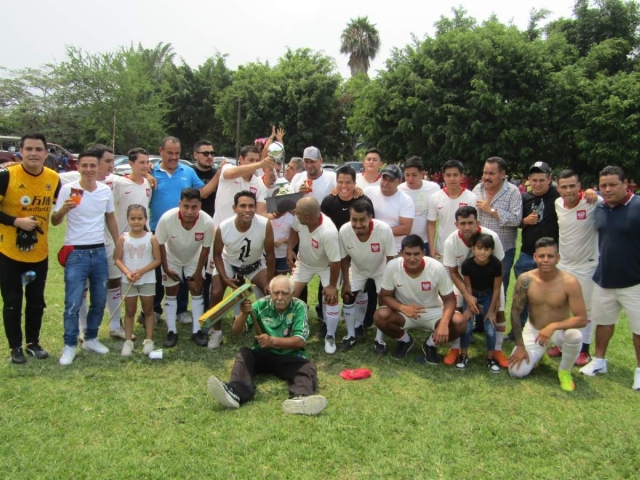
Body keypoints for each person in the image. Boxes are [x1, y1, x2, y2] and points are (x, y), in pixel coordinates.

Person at [206, 275, 327, 415]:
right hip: (263, 353)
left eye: (285, 293)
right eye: (276, 293)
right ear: (270, 292)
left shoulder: (299, 307)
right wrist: (244, 314)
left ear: (292, 294)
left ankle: (300, 399)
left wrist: (272, 341)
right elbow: (236, 330)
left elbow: (300, 341)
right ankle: (236, 392)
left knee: (307, 367)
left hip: (289, 355)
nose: (280, 297)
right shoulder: (260, 305)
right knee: (244, 354)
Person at [52, 150, 120, 366]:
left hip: (99, 251)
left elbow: (110, 218)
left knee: (99, 300)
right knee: (72, 302)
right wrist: (63, 209)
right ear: (78, 167)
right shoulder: (68, 190)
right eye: (84, 166)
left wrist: (119, 244)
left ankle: (91, 338)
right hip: (76, 252)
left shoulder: (104, 191)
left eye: (93, 165)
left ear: (99, 167)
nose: (89, 169)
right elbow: (54, 221)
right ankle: (70, 344)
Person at [0, 133, 60, 364]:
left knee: (36, 301)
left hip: (39, 252)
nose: (33, 154)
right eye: (29, 149)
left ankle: (32, 343)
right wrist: (17, 222)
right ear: (21, 152)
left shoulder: (53, 178)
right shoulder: (7, 176)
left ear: (46, 153)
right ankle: (15, 347)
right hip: (9, 252)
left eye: (38, 149)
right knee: (13, 300)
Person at [579, 166, 640, 390]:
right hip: (604, 279)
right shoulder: (601, 208)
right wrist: (589, 192)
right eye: (603, 185)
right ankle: (600, 361)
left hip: (635, 281)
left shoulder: (637, 206)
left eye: (613, 184)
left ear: (626, 184)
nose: (608, 189)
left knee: (639, 329)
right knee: (603, 322)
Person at [150, 136, 217, 326]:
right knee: (159, 273)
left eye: (177, 153)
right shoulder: (151, 170)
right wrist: (146, 175)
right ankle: (155, 310)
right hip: (159, 228)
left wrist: (218, 174)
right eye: (170, 153)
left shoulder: (187, 171)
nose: (174, 157)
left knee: (183, 269)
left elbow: (202, 193)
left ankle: (181, 310)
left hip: (186, 228)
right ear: (160, 151)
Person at [509, 238, 587, 392]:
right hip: (535, 330)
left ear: (557, 258)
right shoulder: (525, 280)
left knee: (575, 336)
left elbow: (582, 318)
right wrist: (519, 345)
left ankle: (564, 371)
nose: (545, 260)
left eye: (550, 256)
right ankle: (538, 354)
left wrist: (553, 326)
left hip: (560, 331)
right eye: (542, 256)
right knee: (516, 371)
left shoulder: (569, 282)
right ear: (535, 257)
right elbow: (515, 312)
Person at [373, 234, 467, 361]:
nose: (412, 258)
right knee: (380, 315)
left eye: (416, 254)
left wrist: (444, 323)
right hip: (405, 312)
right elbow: (384, 296)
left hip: (432, 310)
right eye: (408, 254)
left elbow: (450, 299)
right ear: (401, 253)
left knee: (460, 322)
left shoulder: (436, 267)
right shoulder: (393, 266)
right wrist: (402, 308)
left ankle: (431, 344)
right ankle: (404, 341)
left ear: (423, 253)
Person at [442, 206, 509, 368]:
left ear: (477, 222)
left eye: (470, 223)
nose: (467, 227)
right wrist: (467, 295)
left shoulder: (491, 236)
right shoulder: (451, 241)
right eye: (462, 223)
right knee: (457, 312)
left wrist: (496, 295)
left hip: (490, 284)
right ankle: (456, 348)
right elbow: (454, 273)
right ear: (456, 224)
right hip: (464, 283)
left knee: (498, 312)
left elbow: (499, 268)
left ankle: (497, 350)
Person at [547, 170, 601, 366]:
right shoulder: (557, 203)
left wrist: (592, 192)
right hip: (564, 264)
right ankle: (562, 345)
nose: (568, 190)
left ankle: (584, 350)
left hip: (586, 266)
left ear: (579, 186)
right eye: (564, 186)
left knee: (585, 310)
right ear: (558, 188)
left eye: (572, 186)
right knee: (560, 306)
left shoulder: (593, 202)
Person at [209, 191, 275, 349]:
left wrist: (270, 281)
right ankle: (216, 332)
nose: (248, 210)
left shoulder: (264, 224)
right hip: (229, 262)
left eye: (251, 206)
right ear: (234, 208)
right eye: (243, 206)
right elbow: (217, 254)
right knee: (216, 292)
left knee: (272, 291)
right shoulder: (224, 227)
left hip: (255, 263)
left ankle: (271, 330)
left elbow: (271, 254)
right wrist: (224, 277)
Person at [155, 188, 214, 348]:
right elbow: (160, 243)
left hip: (194, 259)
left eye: (194, 207)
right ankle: (171, 331)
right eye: (186, 206)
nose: (189, 211)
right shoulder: (167, 218)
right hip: (171, 257)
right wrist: (166, 268)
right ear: (180, 204)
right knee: (172, 291)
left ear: (200, 206)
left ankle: (196, 330)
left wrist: (197, 273)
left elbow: (206, 248)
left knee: (196, 290)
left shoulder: (207, 222)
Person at [287, 196, 342, 354]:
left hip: (327, 267)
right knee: (289, 294)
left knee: (331, 298)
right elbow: (294, 229)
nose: (294, 215)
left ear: (307, 218)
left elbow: (336, 262)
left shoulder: (328, 232)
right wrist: (290, 248)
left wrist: (332, 286)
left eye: (297, 213)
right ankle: (291, 329)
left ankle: (330, 336)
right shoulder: (301, 219)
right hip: (303, 263)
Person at [340, 200, 396, 349]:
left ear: (370, 217)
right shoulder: (344, 231)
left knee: (384, 300)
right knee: (347, 296)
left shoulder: (384, 229)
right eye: (354, 219)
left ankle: (379, 339)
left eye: (362, 219)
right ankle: (351, 335)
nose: (358, 224)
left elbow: (391, 259)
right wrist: (346, 282)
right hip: (358, 269)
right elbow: (344, 258)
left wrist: (389, 286)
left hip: (381, 270)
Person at [113, 205, 161, 356]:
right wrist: (127, 272)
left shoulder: (151, 238)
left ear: (145, 219)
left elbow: (157, 260)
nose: (136, 222)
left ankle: (148, 340)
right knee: (130, 311)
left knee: (148, 310)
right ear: (128, 219)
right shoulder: (123, 238)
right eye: (132, 218)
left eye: (140, 218)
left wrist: (142, 271)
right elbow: (118, 259)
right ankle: (128, 341)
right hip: (129, 281)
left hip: (147, 280)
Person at [472, 156, 522, 291]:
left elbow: (516, 219)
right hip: (479, 248)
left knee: (499, 289)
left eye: (491, 173)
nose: (487, 177)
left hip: (504, 249)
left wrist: (492, 210)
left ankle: (497, 312)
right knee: (478, 285)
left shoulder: (512, 191)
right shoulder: (478, 189)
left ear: (502, 174)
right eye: (485, 173)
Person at [460, 233, 504, 371]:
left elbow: (497, 288)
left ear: (491, 250)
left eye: (486, 249)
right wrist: (468, 307)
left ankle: (490, 357)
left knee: (490, 328)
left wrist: (491, 311)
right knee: (466, 326)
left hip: (488, 294)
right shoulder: (467, 264)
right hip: (472, 294)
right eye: (479, 248)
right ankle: (463, 355)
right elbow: (467, 286)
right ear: (473, 249)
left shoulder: (496, 264)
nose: (482, 252)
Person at [427, 160, 478, 260]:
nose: (452, 179)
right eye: (448, 175)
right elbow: (431, 224)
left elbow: (476, 225)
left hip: (466, 251)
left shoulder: (471, 198)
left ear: (462, 176)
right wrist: (432, 248)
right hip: (442, 250)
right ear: (444, 176)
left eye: (455, 175)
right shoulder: (435, 198)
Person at [364, 164, 414, 252]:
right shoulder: (368, 192)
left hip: (395, 248)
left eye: (391, 180)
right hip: (370, 247)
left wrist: (376, 232)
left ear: (399, 181)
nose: (386, 183)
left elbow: (406, 228)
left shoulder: (406, 200)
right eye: (384, 179)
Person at [398, 156, 441, 253]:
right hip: (404, 241)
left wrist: (432, 246)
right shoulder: (399, 190)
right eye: (407, 175)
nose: (410, 179)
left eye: (414, 175)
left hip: (425, 240)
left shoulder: (433, 188)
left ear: (422, 174)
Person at [191, 140, 225, 217]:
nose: (210, 157)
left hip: (213, 218)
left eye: (212, 153)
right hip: (193, 218)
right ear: (195, 155)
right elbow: (203, 194)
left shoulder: (217, 173)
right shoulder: (189, 172)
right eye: (205, 154)